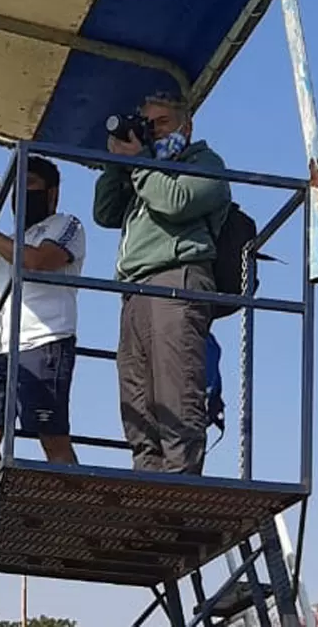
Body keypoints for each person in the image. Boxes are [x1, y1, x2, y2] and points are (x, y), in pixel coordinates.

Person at [93, 92, 231, 475]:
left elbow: (175, 202)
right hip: (135, 291)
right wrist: (116, 164)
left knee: (176, 398)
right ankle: (148, 492)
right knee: (138, 407)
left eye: (162, 124)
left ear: (186, 126)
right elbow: (104, 212)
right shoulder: (145, 172)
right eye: (147, 125)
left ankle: (180, 493)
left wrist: (139, 164)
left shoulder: (203, 163)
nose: (152, 132)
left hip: (177, 280)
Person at [0, 155, 84, 481]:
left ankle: (73, 514)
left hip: (43, 341)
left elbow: (37, 261)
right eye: (17, 188)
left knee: (50, 435)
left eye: (32, 186)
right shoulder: (0, 241)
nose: (22, 195)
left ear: (52, 193)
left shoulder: (65, 225)